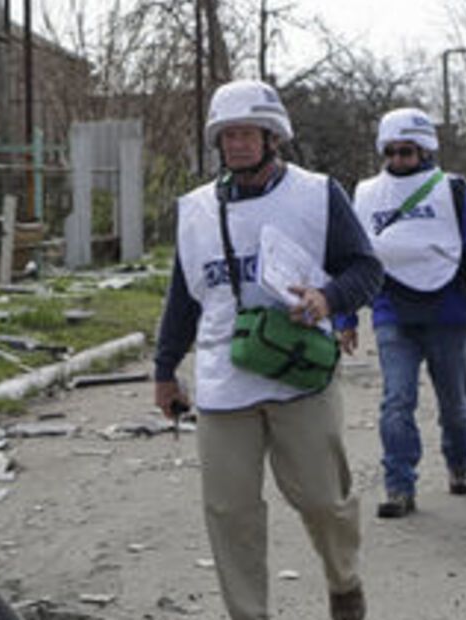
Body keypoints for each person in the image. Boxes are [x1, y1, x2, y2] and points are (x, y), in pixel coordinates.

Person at [153, 79, 384, 620]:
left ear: (272, 137)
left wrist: (328, 299)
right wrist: (165, 369)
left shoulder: (317, 193)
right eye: (227, 135)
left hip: (299, 372)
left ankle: (344, 583)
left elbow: (366, 268)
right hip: (222, 378)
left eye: (247, 133)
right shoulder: (195, 210)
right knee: (229, 511)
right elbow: (182, 298)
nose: (236, 144)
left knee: (324, 500)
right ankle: (248, 613)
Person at [353, 107, 466, 518]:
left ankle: (459, 462)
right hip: (392, 312)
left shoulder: (454, 190)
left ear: (426, 150)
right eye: (393, 152)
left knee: (455, 406)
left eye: (408, 152)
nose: (399, 160)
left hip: (449, 313)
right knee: (396, 401)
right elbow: (351, 259)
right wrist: (345, 318)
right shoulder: (365, 194)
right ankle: (399, 487)